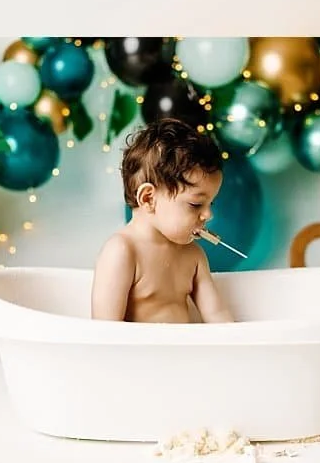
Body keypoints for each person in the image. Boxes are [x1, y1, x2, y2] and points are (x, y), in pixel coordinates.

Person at [91, 118, 234, 323]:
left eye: (210, 204)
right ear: (148, 198)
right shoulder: (123, 251)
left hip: (184, 353)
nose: (208, 215)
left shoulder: (194, 256)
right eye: (196, 204)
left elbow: (218, 316)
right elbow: (105, 329)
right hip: (139, 354)